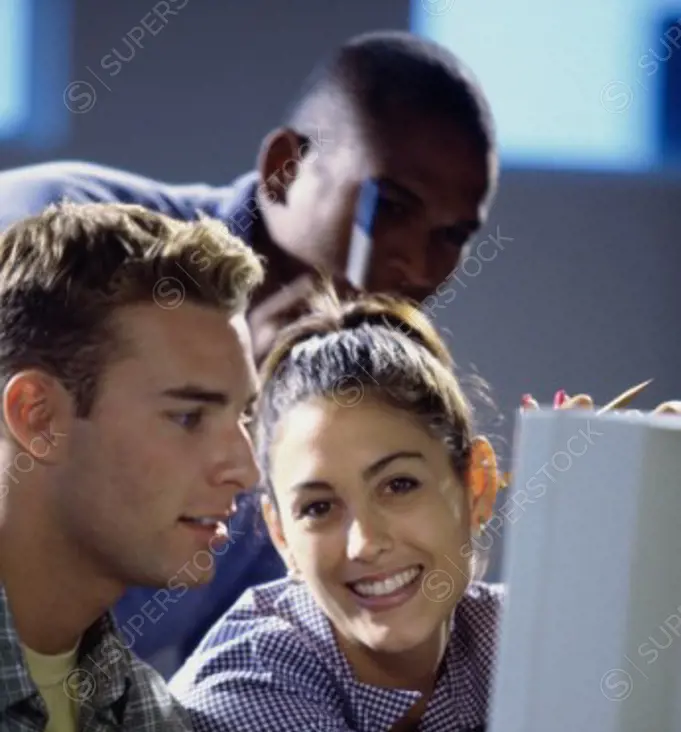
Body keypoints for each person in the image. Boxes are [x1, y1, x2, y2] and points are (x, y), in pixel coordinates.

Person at [0, 201, 489, 732]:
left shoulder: (147, 727)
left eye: (238, 418)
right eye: (189, 415)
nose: (239, 465)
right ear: (39, 418)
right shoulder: (233, 690)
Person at [0, 30, 497, 676]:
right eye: (391, 208)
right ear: (283, 168)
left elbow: (245, 673)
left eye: (451, 236)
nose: (414, 262)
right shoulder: (56, 224)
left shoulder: (315, 421)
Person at [170, 291, 501, 732]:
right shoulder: (245, 686)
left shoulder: (517, 640)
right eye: (319, 508)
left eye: (399, 485)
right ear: (282, 536)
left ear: (476, 488)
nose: (364, 543)